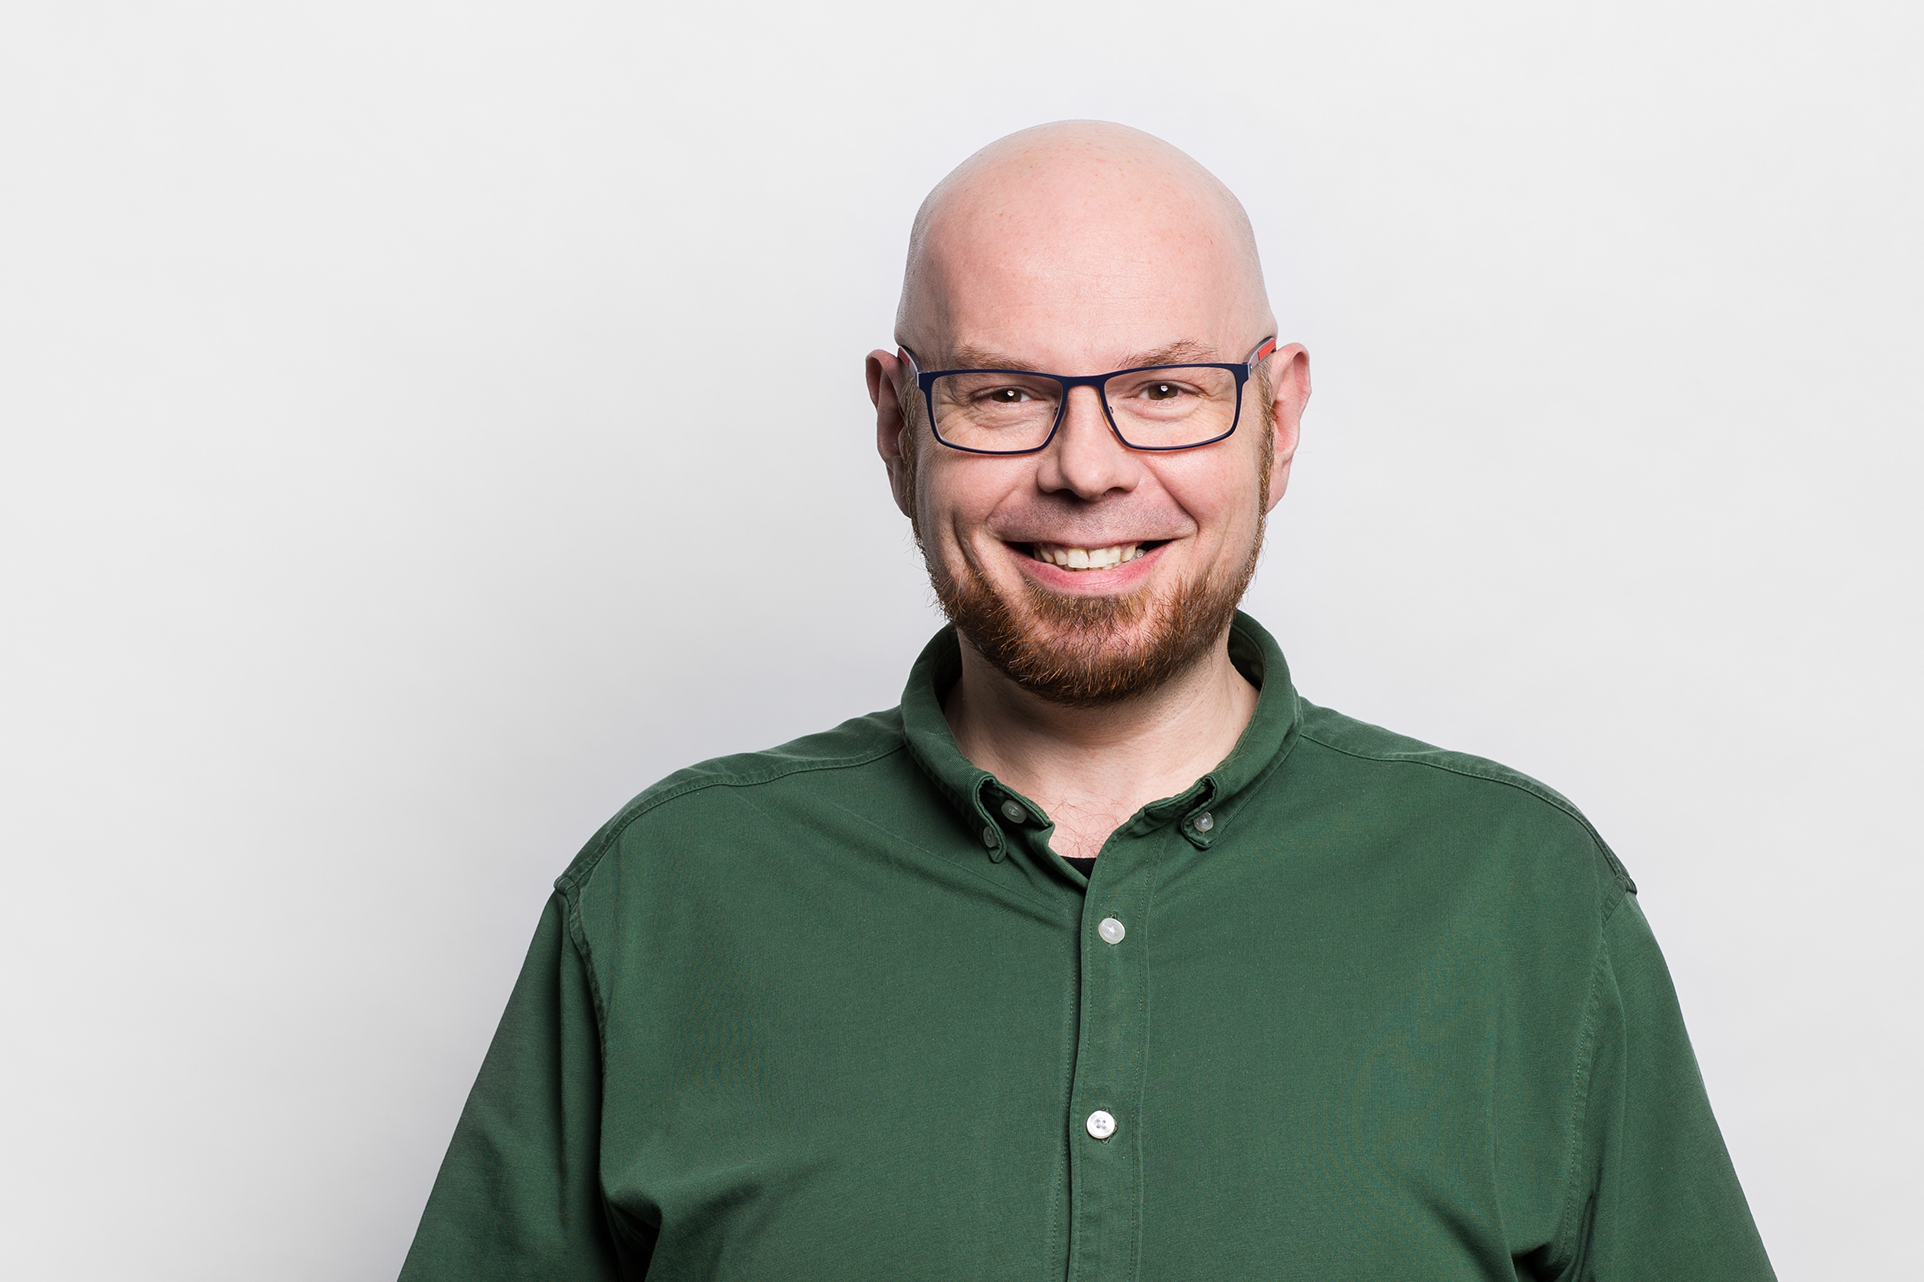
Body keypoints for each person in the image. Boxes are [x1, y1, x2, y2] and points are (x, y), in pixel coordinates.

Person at [398, 122, 1774, 1280]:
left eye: (1165, 389)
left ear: (1279, 418)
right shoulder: (663, 898)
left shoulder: (1525, 902)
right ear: (897, 425)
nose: (1088, 467)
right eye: (1004, 393)